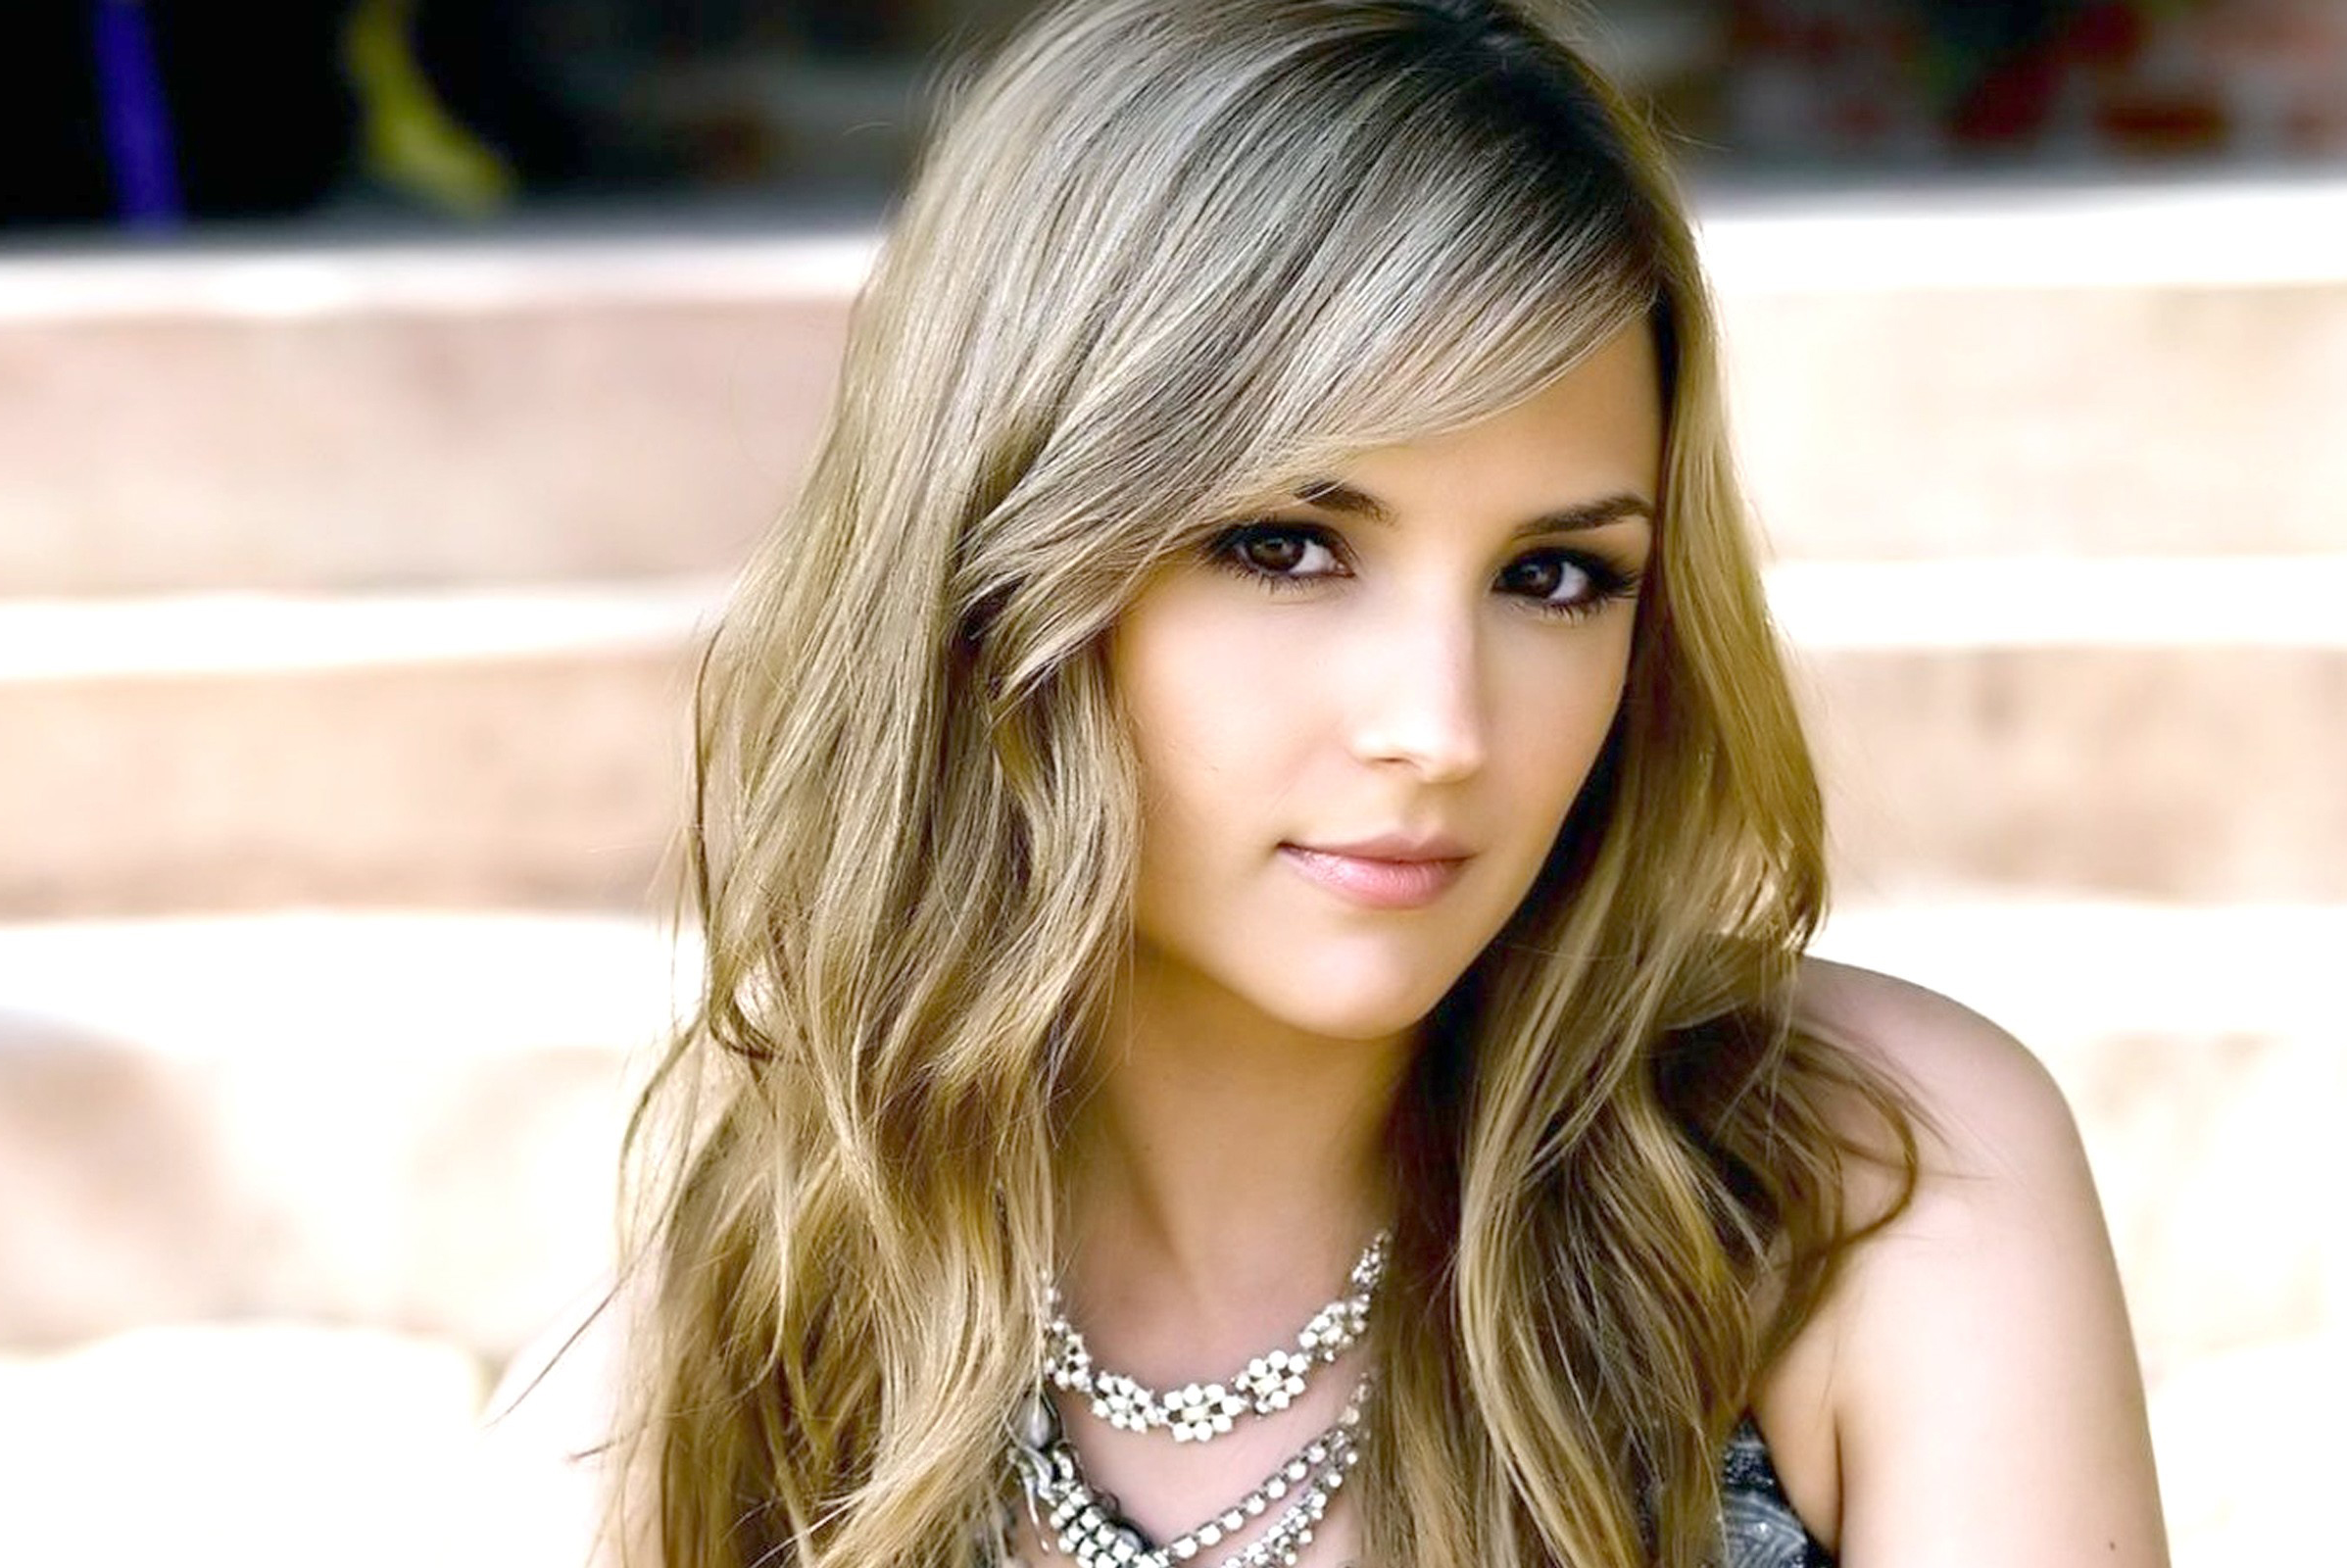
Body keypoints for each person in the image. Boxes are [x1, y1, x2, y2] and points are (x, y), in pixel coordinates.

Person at [482, 3, 2170, 1564]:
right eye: (1285, 546)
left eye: (1555, 577)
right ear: (1000, 574)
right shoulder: (705, 1383)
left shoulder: (1869, 1191)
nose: (1441, 727)